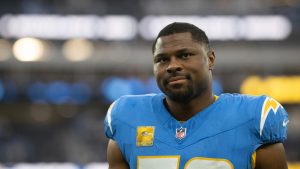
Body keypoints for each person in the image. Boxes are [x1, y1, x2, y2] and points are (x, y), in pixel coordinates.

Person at [104, 22, 289, 169]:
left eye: (184, 55)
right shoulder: (126, 118)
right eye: (162, 59)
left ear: (210, 60)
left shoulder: (254, 119)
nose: (172, 66)